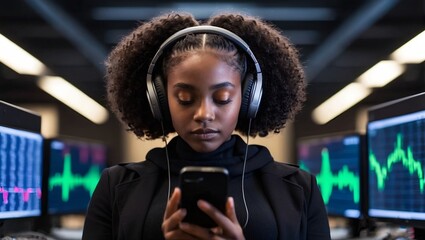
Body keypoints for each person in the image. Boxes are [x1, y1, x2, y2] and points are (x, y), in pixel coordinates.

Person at [82, 11, 331, 240]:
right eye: (185, 99)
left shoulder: (299, 188)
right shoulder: (116, 186)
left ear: (249, 99)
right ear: (158, 99)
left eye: (222, 99)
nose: (204, 114)